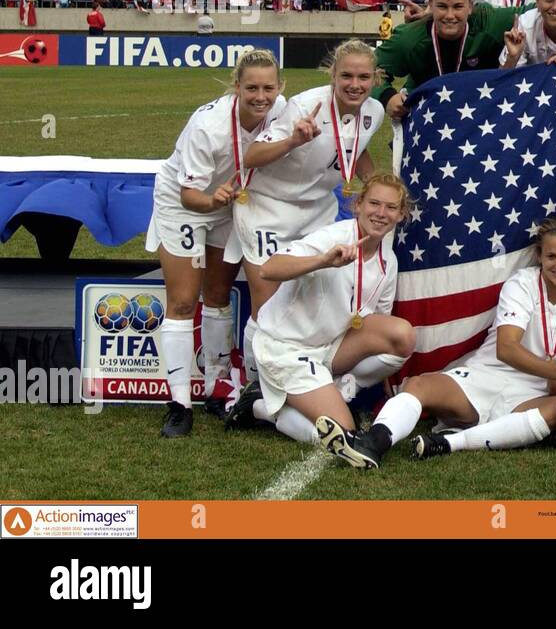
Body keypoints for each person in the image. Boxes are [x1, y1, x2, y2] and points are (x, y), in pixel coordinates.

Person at [319, 218, 556, 467]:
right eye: (552, 256)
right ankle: (373, 443)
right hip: (488, 375)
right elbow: (506, 349)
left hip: (533, 391)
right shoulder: (522, 283)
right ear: (539, 256)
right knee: (420, 384)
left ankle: (451, 442)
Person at [224, 41, 385, 393]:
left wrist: (375, 185)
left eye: (363, 77)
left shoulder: (373, 111)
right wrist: (293, 141)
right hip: (268, 208)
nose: (354, 85)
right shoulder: (304, 106)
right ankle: (254, 389)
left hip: (317, 211)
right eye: (346, 76)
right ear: (333, 75)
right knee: (267, 309)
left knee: (314, 299)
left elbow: (355, 147)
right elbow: (250, 156)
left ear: (375, 78)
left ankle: (306, 373)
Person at [146, 51, 287, 437]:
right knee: (182, 300)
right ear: (236, 86)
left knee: (219, 294)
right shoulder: (208, 126)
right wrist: (213, 201)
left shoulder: (282, 110)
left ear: (280, 87)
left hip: (229, 202)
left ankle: (216, 387)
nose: (261, 96)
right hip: (186, 203)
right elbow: (190, 193)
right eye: (252, 88)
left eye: (268, 88)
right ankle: (178, 405)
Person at [227, 174, 415, 445]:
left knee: (402, 335)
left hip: (329, 348)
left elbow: (376, 324)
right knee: (344, 431)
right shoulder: (333, 237)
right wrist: (322, 261)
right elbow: (270, 269)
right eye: (374, 203)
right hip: (285, 348)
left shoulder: (389, 261)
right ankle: (260, 407)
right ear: (358, 204)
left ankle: (341, 388)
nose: (381, 213)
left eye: (391, 207)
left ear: (401, 215)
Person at [374, 0, 532, 123]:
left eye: (458, 7)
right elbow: (368, 67)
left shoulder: (488, 22)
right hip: (428, 124)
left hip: (479, 121)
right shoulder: (409, 38)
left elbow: (538, 9)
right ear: (430, 5)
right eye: (442, 6)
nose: (450, 15)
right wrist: (387, 97)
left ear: (471, 6)